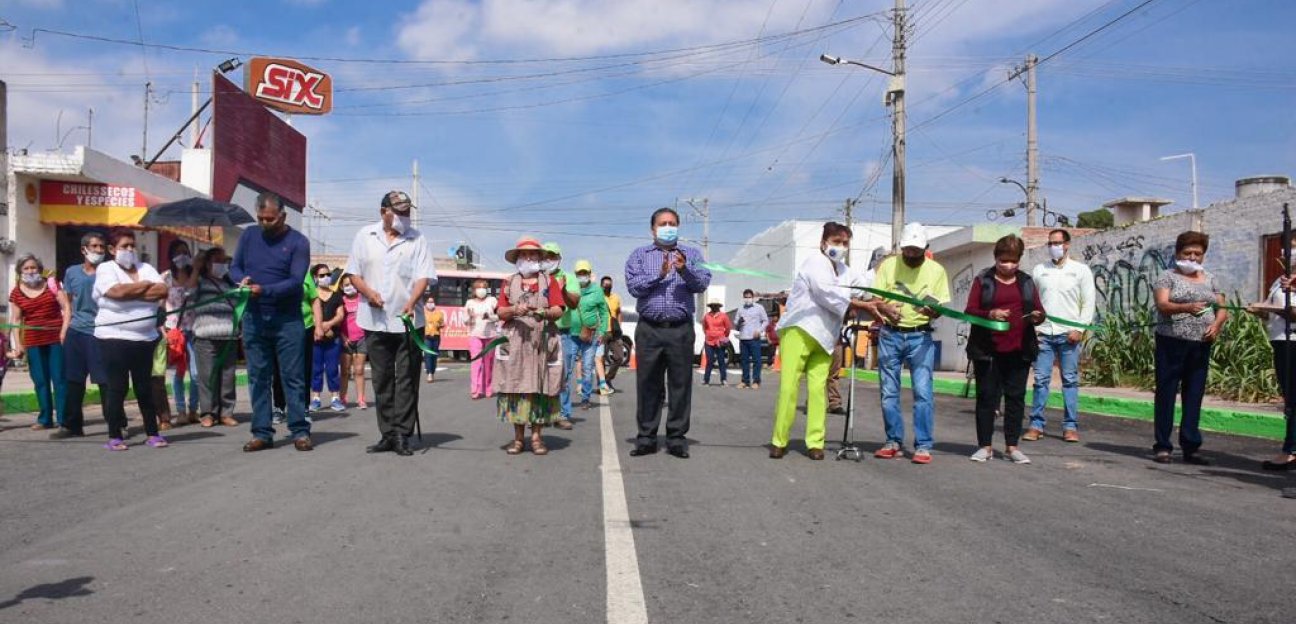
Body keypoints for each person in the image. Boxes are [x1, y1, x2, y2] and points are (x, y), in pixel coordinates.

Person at [770, 222, 877, 460]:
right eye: (837, 242)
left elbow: (861, 284)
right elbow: (826, 293)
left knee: (819, 390)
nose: (841, 247)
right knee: (789, 388)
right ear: (824, 243)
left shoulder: (844, 270)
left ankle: (815, 442)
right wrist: (856, 303)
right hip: (799, 329)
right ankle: (779, 439)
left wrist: (880, 266)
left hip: (825, 336)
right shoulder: (814, 263)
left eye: (845, 243)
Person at [346, 190, 436, 457]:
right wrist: (368, 292)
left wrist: (413, 300)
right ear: (383, 211)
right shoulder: (365, 236)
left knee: (407, 378)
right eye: (399, 212)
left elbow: (424, 276)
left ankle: (402, 433)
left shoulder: (417, 239)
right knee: (382, 379)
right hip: (374, 321)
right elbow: (353, 273)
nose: (404, 217)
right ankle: (387, 433)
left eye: (407, 212)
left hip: (409, 321)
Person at [624, 207, 712, 458]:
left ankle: (676, 438)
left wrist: (684, 270)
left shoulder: (692, 254)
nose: (668, 227)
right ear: (653, 229)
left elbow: (702, 282)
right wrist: (659, 274)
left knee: (680, 384)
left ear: (679, 226)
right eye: (662, 223)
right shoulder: (639, 256)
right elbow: (634, 287)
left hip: (680, 330)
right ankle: (646, 437)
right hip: (649, 329)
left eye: (672, 223)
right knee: (648, 384)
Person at [231, 192, 313, 452]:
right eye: (261, 218)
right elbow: (235, 267)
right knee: (258, 377)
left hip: (287, 320)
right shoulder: (248, 236)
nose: (265, 223)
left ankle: (299, 430)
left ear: (283, 216)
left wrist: (263, 290)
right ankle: (262, 432)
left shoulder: (298, 242)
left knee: (293, 377)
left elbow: (295, 281)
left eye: (271, 219)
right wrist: (241, 279)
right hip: (254, 318)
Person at [871, 222, 950, 465]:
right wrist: (884, 307)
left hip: (920, 336)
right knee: (888, 392)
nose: (912, 255)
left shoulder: (936, 270)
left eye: (917, 250)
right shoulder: (888, 266)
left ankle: (923, 445)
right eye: (908, 250)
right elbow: (876, 298)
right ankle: (893, 440)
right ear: (901, 247)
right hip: (890, 335)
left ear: (925, 248)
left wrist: (931, 311)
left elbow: (941, 306)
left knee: (923, 392)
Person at [964, 235, 1046, 464]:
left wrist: (1038, 317)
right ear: (995, 258)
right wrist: (990, 314)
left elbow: (1039, 310)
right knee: (987, 398)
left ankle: (1012, 446)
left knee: (1016, 398)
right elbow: (970, 311)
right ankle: (985, 446)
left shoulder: (1027, 282)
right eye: (1003, 261)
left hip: (1020, 350)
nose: (1008, 266)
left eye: (1013, 261)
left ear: (1019, 260)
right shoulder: (983, 280)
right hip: (987, 350)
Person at [1151, 231, 1227, 465]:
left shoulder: (1211, 279)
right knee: (1166, 392)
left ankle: (1191, 446)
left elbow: (1223, 308)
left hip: (1200, 344)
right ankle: (1163, 445)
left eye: (1197, 253)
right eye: (1187, 253)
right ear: (1177, 254)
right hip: (1171, 342)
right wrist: (1186, 307)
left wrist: (1216, 325)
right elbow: (1163, 305)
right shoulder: (1167, 277)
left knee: (1194, 394)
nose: (1192, 257)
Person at [93, 231, 169, 450]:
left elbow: (162, 289)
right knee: (117, 387)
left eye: (132, 246)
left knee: (144, 386)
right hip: (113, 337)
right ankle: (115, 435)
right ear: (111, 249)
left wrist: (133, 291)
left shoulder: (146, 268)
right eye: (124, 246)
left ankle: (152, 433)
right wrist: (146, 287)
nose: (129, 250)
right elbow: (115, 292)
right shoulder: (106, 268)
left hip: (145, 338)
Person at [493, 237, 566, 454]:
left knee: (541, 386)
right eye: (524, 254)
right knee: (515, 385)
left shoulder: (549, 282)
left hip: (542, 339)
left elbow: (559, 309)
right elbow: (500, 312)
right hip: (516, 340)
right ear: (517, 258)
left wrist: (543, 312)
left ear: (540, 258)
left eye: (533, 254)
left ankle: (536, 438)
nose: (528, 257)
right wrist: (515, 310)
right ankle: (517, 439)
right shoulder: (508, 282)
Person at [1026, 228, 1096, 443]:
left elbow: (1088, 303)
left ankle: (1070, 426)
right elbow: (1031, 301)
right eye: (1050, 243)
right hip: (1044, 334)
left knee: (1070, 380)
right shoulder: (1039, 270)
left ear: (1067, 244)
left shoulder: (1081, 270)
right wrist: (1033, 328)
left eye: (1057, 243)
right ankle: (1036, 425)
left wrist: (1080, 329)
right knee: (1040, 380)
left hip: (1069, 335)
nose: (1054, 247)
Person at [53, 232, 109, 439]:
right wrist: (64, 329)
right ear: (84, 249)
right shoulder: (72, 272)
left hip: (100, 331)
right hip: (77, 331)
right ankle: (71, 425)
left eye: (102, 247)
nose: (98, 251)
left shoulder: (108, 272)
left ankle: (116, 423)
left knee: (105, 381)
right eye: (94, 246)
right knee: (73, 381)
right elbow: (69, 304)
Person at [8, 253, 69, 432]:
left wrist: (64, 331)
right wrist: (18, 345)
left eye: (33, 267)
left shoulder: (52, 284)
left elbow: (66, 307)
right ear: (20, 272)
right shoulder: (16, 292)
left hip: (56, 339)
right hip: (33, 342)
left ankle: (64, 419)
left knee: (59, 379)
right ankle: (45, 419)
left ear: (39, 269)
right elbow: (16, 320)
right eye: (26, 268)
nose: (30, 271)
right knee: (40, 380)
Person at [1248, 271, 1296, 471]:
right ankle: (1291, 448)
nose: (1290, 254)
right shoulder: (1280, 279)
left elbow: (1292, 313)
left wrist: (1286, 307)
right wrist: (1259, 310)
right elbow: (1270, 311)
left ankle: (1291, 450)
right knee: (1291, 397)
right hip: (1280, 341)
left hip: (1294, 341)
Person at [188, 247, 240, 428]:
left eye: (224, 260)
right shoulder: (201, 281)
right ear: (208, 263)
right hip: (205, 337)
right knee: (207, 377)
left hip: (229, 337)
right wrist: (195, 268)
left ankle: (226, 412)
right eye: (218, 260)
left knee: (227, 377)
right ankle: (208, 413)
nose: (222, 264)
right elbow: (188, 293)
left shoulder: (230, 284)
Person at [271, 270, 318, 424]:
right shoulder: (274, 271)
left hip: (305, 326)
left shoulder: (304, 273)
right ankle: (279, 407)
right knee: (279, 369)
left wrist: (319, 325)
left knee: (304, 369)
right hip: (280, 327)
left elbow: (314, 299)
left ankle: (303, 407)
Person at [162, 239, 199, 426]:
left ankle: (193, 409)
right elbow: (159, 306)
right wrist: (162, 331)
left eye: (185, 252)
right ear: (171, 256)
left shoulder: (196, 276)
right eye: (178, 252)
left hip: (194, 329)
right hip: (174, 331)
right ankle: (181, 411)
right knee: (178, 373)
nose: (182, 256)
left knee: (196, 374)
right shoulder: (165, 278)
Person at [546, 243, 583, 429]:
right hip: (540, 332)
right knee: (539, 374)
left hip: (563, 333)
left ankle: (562, 414)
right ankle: (541, 414)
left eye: (552, 256)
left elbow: (574, 303)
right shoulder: (537, 278)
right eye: (545, 256)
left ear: (559, 258)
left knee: (563, 375)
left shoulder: (568, 277)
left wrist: (562, 291)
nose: (548, 260)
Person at [566, 260, 609, 407]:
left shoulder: (597, 291)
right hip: (571, 333)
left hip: (591, 334)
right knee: (567, 368)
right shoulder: (571, 289)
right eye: (579, 273)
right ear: (575, 274)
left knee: (587, 366)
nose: (582, 276)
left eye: (584, 273)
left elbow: (604, 313)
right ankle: (564, 402)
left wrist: (602, 331)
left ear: (589, 274)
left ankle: (586, 398)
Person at [309, 264, 346, 412]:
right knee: (316, 368)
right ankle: (316, 399)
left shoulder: (336, 295)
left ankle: (335, 398)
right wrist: (320, 328)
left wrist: (328, 325)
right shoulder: (312, 295)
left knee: (332, 369)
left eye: (327, 274)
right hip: (315, 338)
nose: (325, 278)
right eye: (322, 275)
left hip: (333, 338)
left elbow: (340, 315)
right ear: (315, 278)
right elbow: (310, 314)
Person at [338, 275, 369, 409]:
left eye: (352, 284)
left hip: (362, 339)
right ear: (341, 287)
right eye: (346, 285)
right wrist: (344, 338)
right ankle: (342, 398)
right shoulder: (341, 301)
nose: (350, 287)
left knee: (359, 370)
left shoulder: (362, 300)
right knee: (345, 371)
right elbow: (338, 322)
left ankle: (361, 399)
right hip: (345, 340)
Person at [465, 279, 498, 399]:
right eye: (479, 287)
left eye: (484, 287)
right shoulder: (469, 303)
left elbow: (499, 316)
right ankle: (475, 390)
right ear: (474, 290)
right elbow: (465, 321)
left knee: (489, 364)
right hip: (475, 334)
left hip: (491, 334)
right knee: (476, 362)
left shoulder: (492, 300)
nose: (482, 290)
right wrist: (470, 316)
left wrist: (490, 317)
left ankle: (488, 388)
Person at [596, 275, 621, 395]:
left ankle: (607, 379)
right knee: (600, 358)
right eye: (605, 285)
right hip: (602, 332)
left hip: (614, 333)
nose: (607, 286)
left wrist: (620, 327)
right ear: (601, 286)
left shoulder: (616, 297)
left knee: (619, 357)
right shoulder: (598, 297)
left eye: (609, 285)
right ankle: (602, 384)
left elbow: (619, 312)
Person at [701, 300, 732, 386]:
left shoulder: (724, 316)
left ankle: (723, 380)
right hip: (709, 341)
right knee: (709, 361)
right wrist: (708, 334)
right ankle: (706, 380)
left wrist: (723, 337)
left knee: (721, 361)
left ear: (719, 306)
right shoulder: (706, 316)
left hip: (720, 341)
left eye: (716, 305)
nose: (714, 307)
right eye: (712, 306)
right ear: (710, 307)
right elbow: (704, 327)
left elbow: (728, 328)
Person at [423, 296, 445, 383]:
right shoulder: (423, 313)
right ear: (426, 303)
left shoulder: (439, 313)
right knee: (428, 354)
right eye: (429, 302)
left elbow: (442, 324)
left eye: (432, 302)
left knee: (434, 355)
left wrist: (440, 324)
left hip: (436, 336)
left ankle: (432, 371)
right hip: (426, 336)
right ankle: (429, 374)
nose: (430, 304)